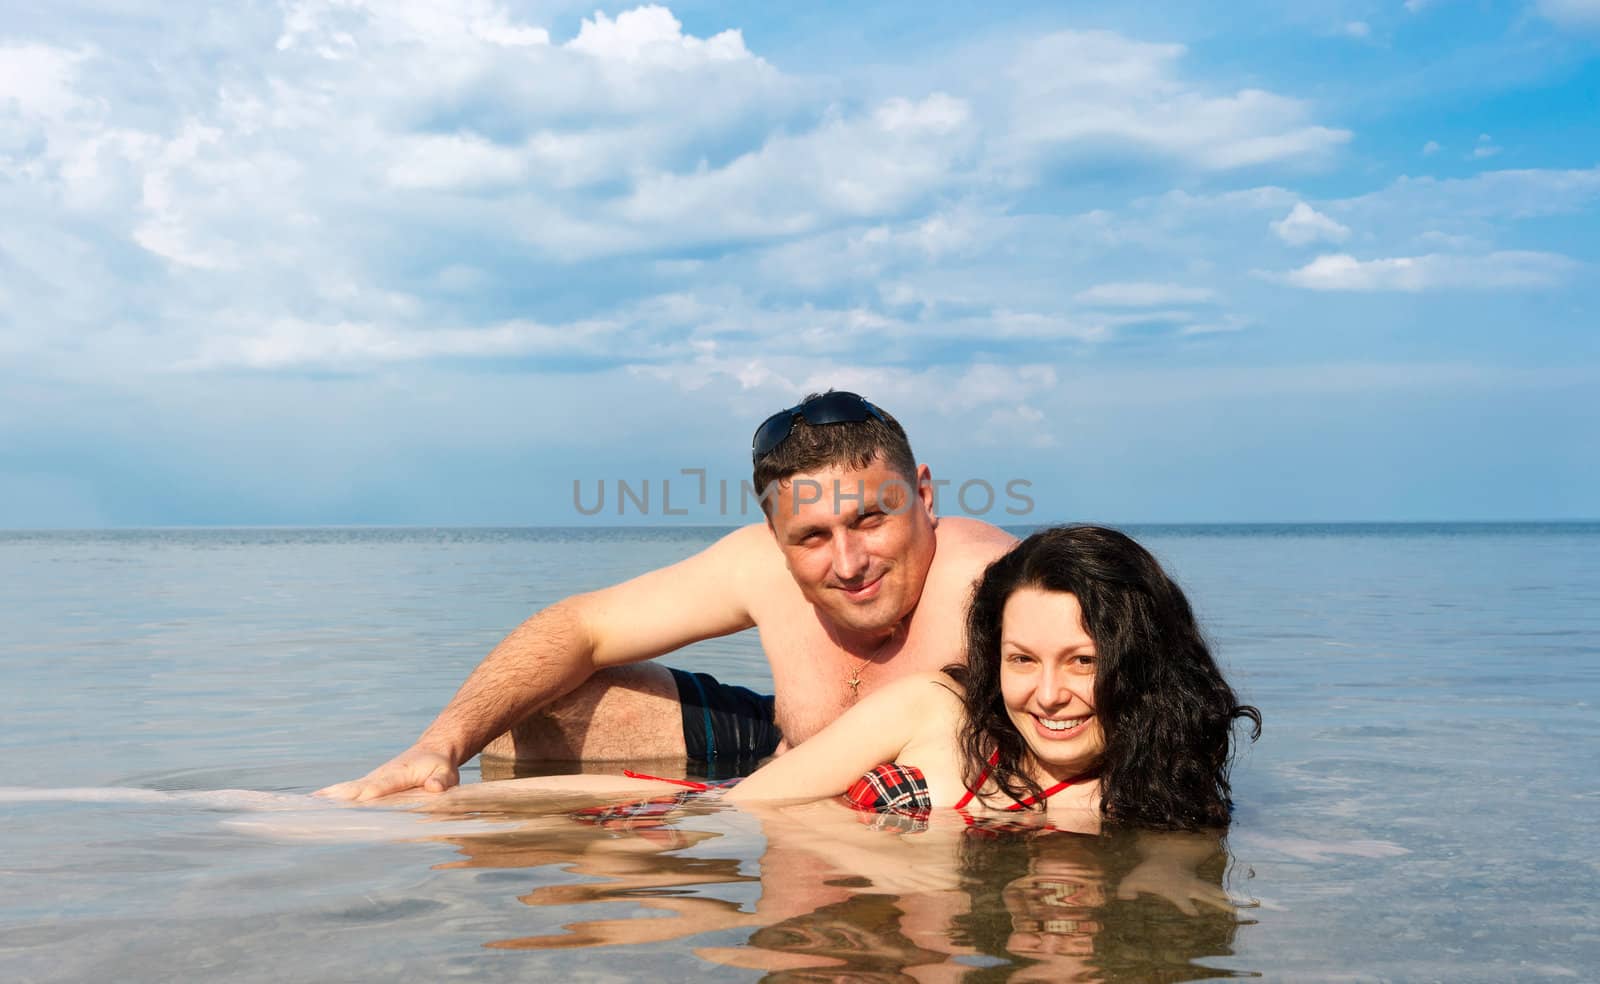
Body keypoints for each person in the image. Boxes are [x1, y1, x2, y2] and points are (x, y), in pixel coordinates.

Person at [320, 391, 1018, 801]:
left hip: (893, 800)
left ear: (922, 494)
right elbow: (579, 627)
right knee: (529, 715)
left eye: (870, 519)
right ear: (774, 534)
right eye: (811, 536)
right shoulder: (759, 564)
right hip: (783, 744)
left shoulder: (994, 586)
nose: (849, 562)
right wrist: (438, 746)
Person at [718, 525, 1262, 829]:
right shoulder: (934, 710)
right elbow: (737, 810)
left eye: (1084, 661)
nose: (1048, 696)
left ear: (1144, 664)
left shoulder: (1157, 803)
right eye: (1022, 660)